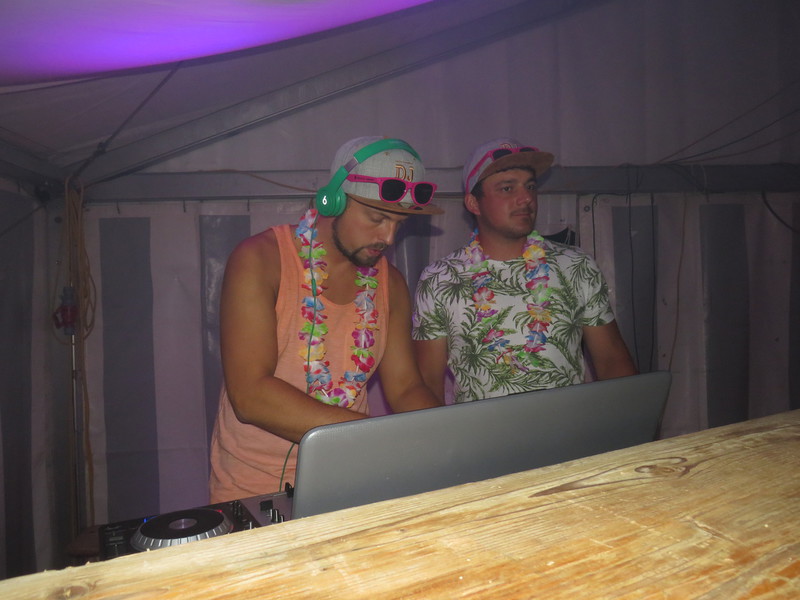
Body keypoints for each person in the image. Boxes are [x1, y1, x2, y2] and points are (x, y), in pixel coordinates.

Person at [209, 136, 444, 503]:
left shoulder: (391, 283)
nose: (388, 237)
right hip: (253, 489)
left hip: (352, 479)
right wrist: (379, 437)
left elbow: (405, 388)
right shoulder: (259, 260)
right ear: (332, 200)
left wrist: (445, 436)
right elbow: (250, 395)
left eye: (399, 223)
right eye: (377, 218)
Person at [412, 137, 636, 404]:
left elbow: (612, 360)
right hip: (480, 431)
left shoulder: (576, 265)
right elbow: (428, 381)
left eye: (530, 186)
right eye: (507, 188)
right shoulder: (440, 279)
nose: (526, 198)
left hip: (570, 427)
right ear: (473, 203)